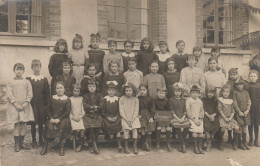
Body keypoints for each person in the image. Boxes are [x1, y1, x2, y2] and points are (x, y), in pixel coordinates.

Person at [7, 63, 34, 152]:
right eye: (17, 69)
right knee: (17, 124)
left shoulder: (27, 82)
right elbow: (9, 94)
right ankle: (17, 144)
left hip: (24, 105)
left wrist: (26, 103)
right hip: (15, 106)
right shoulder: (11, 82)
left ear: (23, 71)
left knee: (24, 124)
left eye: (21, 69)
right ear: (14, 70)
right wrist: (15, 104)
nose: (19, 71)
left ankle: (21, 143)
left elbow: (30, 93)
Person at [40, 81, 71, 156]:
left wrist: (59, 119)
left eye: (61, 88)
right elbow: (47, 109)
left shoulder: (67, 99)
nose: (59, 90)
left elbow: (67, 112)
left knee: (64, 124)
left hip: (62, 118)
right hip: (52, 118)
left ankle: (61, 147)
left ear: (64, 89)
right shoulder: (52, 98)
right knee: (48, 125)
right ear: (55, 90)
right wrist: (51, 118)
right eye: (57, 88)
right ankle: (45, 146)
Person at [26, 60, 50, 148]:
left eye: (38, 66)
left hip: (41, 103)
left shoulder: (44, 79)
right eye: (34, 67)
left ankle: (41, 139)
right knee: (33, 121)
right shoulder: (28, 79)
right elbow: (27, 91)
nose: (36, 68)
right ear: (32, 68)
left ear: (40, 67)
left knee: (41, 122)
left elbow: (47, 93)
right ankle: (33, 140)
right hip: (32, 103)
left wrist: (47, 104)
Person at [82, 80, 103, 155]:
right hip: (88, 114)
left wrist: (97, 107)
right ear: (87, 87)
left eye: (93, 86)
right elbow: (84, 105)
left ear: (96, 87)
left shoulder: (99, 95)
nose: (92, 88)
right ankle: (95, 146)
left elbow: (101, 104)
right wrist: (90, 107)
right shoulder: (85, 96)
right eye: (90, 86)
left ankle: (94, 145)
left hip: (97, 114)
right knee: (90, 126)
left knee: (97, 127)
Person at [119, 82, 140, 154]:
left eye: (130, 90)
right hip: (125, 118)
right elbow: (121, 111)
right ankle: (126, 146)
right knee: (126, 130)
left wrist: (132, 119)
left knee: (134, 129)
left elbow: (136, 111)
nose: (128, 92)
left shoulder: (136, 99)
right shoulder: (121, 99)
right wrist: (127, 120)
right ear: (124, 91)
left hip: (134, 118)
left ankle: (135, 146)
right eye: (126, 90)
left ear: (133, 90)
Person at [217, 84, 240, 151]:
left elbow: (233, 110)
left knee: (236, 128)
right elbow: (220, 110)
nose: (226, 93)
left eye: (227, 92)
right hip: (222, 117)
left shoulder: (231, 101)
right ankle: (220, 142)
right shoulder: (220, 100)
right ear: (222, 92)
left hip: (230, 118)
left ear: (229, 93)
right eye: (224, 92)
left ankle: (234, 142)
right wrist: (225, 118)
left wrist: (230, 118)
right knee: (223, 129)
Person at [102, 81, 122, 152]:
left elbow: (119, 110)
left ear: (115, 91)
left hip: (116, 116)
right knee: (106, 123)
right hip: (107, 117)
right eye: (109, 90)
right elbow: (103, 111)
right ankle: (108, 140)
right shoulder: (104, 99)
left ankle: (119, 144)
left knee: (118, 123)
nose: (111, 92)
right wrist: (107, 117)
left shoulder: (118, 99)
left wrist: (116, 117)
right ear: (107, 91)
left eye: (113, 90)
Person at [169, 83, 190, 153]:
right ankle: (183, 144)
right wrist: (178, 119)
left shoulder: (184, 100)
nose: (177, 93)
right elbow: (172, 110)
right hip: (175, 116)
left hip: (183, 116)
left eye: (179, 91)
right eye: (176, 91)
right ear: (173, 92)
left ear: (181, 92)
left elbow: (185, 110)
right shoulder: (171, 99)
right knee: (177, 126)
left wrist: (183, 118)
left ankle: (181, 142)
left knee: (187, 125)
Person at [233, 77, 251, 150]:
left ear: (243, 85)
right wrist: (239, 111)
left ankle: (244, 142)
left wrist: (247, 110)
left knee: (244, 128)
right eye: (237, 85)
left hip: (245, 113)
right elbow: (235, 103)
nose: (239, 86)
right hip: (239, 113)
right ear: (235, 85)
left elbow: (249, 101)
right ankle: (239, 143)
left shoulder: (246, 92)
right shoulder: (235, 93)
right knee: (239, 128)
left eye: (241, 84)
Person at [186, 85, 204, 154]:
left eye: (196, 93)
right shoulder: (188, 101)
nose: (195, 94)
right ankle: (195, 147)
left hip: (199, 119)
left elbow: (202, 110)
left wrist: (200, 119)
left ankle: (200, 147)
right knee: (195, 132)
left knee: (200, 133)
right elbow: (188, 111)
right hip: (192, 119)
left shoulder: (200, 101)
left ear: (199, 94)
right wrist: (194, 120)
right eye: (193, 93)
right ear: (190, 94)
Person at [138, 84, 156, 151]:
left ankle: (146, 143)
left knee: (150, 126)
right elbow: (137, 108)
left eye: (144, 90)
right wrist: (138, 114)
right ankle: (144, 143)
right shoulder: (138, 98)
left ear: (147, 90)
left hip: (148, 114)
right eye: (141, 90)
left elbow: (152, 108)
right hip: (141, 115)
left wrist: (151, 117)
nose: (142, 91)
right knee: (143, 127)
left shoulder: (150, 98)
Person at [202, 87, 219, 152]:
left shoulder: (216, 101)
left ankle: (208, 140)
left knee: (216, 123)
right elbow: (203, 109)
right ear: (206, 93)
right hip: (206, 115)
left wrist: (213, 116)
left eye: (212, 93)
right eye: (209, 92)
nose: (210, 94)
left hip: (214, 115)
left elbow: (217, 110)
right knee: (206, 124)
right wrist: (209, 116)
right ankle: (209, 141)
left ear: (214, 93)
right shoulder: (203, 100)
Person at [70, 84, 85, 152]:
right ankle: (82, 142)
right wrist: (73, 117)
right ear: (72, 91)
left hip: (80, 117)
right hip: (72, 118)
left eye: (78, 91)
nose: (76, 92)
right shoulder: (70, 99)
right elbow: (68, 111)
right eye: (75, 91)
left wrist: (80, 117)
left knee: (81, 130)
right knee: (76, 130)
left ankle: (80, 145)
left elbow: (83, 110)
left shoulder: (81, 98)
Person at [247, 70, 260, 147]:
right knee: (250, 123)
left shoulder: (259, 85)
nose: (252, 78)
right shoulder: (247, 85)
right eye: (251, 76)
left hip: (258, 106)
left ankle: (256, 139)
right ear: (249, 77)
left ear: (257, 77)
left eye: (254, 76)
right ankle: (251, 139)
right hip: (250, 106)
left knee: (256, 123)